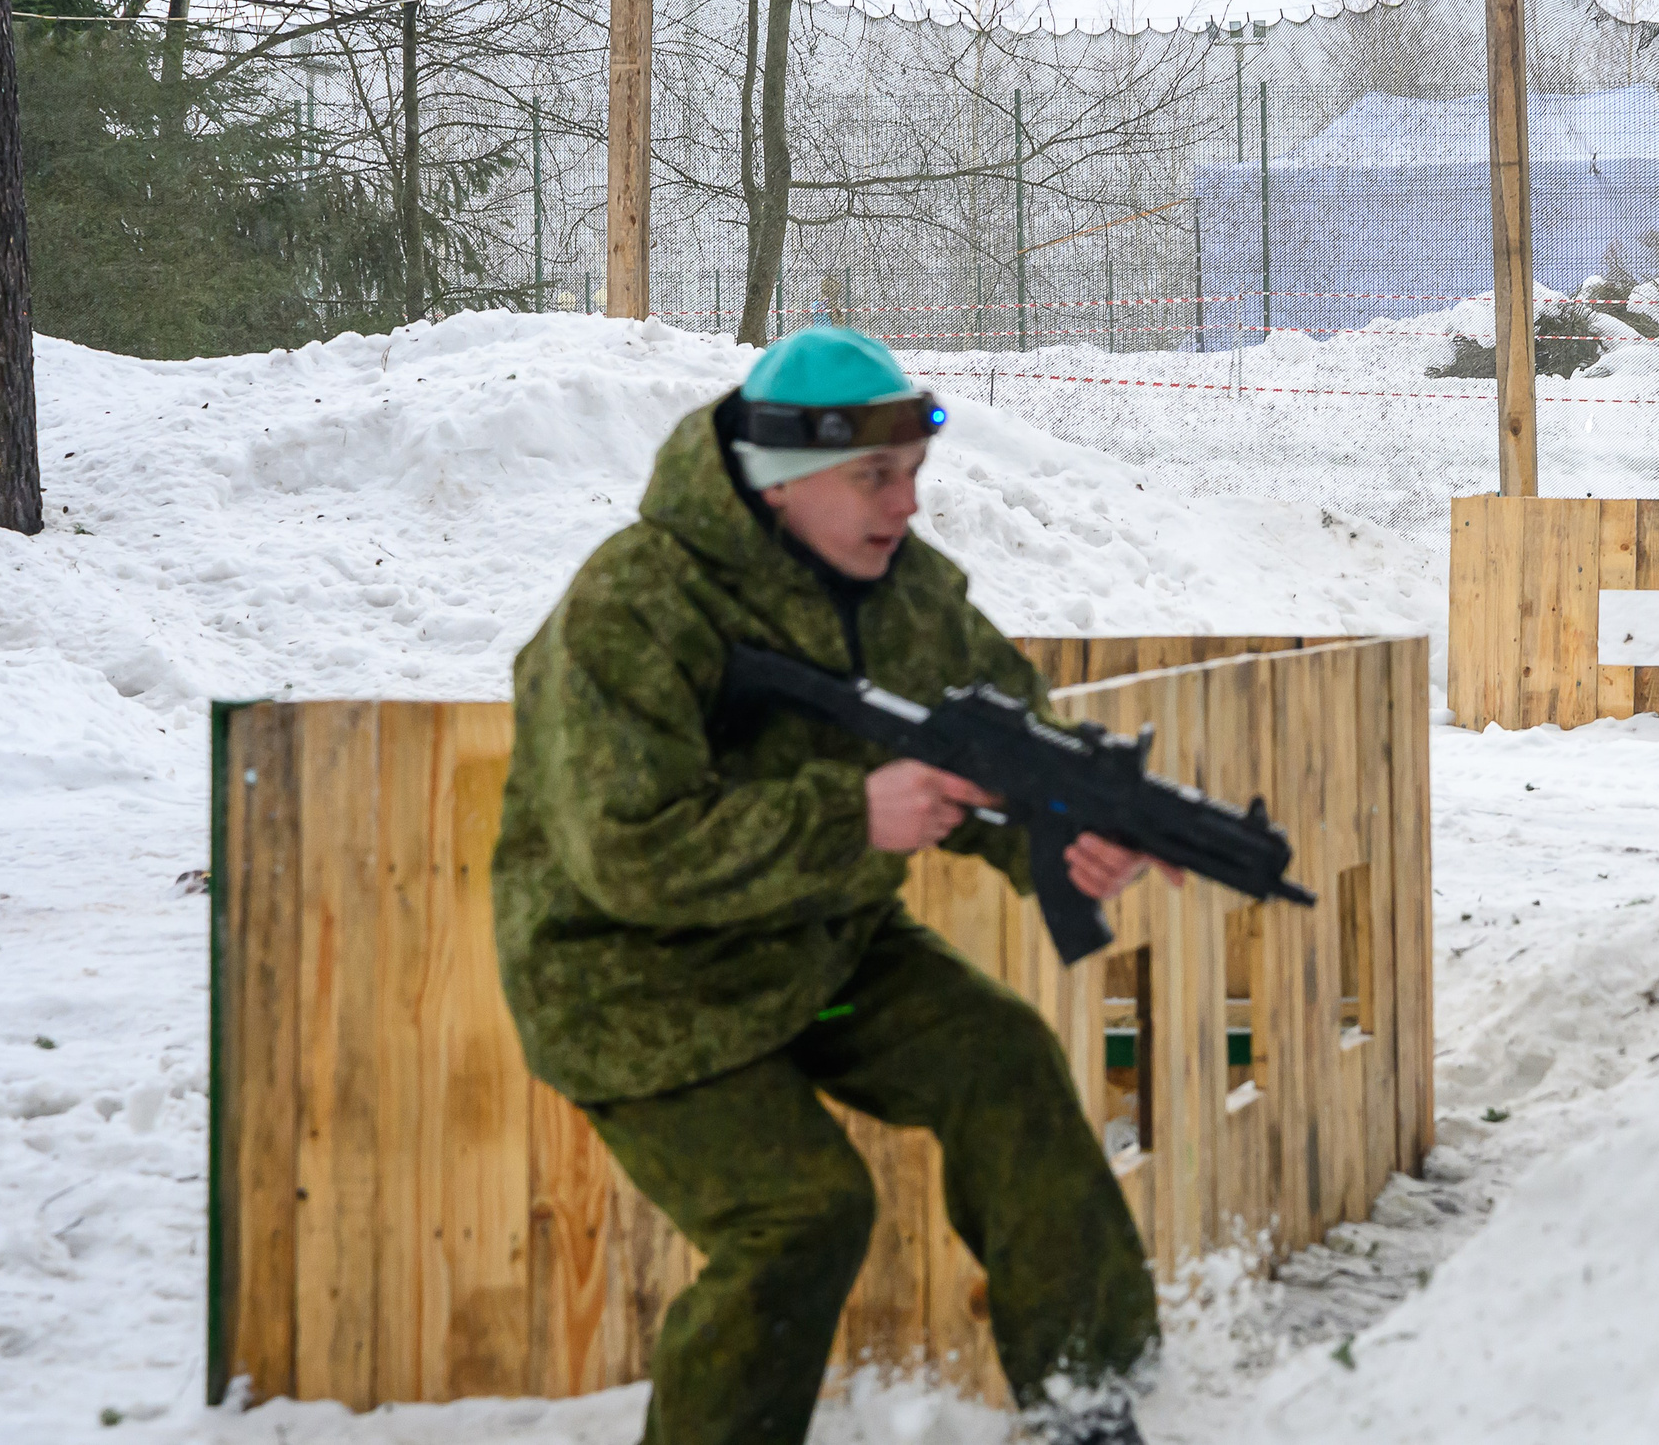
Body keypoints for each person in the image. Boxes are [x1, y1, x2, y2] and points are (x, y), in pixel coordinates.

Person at [492, 325, 1168, 1445]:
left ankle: (1090, 1409)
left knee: (1003, 1060)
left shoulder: (899, 592)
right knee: (801, 1214)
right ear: (780, 477)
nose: (904, 505)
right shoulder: (631, 607)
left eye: (911, 474)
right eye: (874, 477)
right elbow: (625, 850)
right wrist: (853, 814)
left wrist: (1062, 831)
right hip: (633, 991)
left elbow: (1001, 737)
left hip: (819, 957)